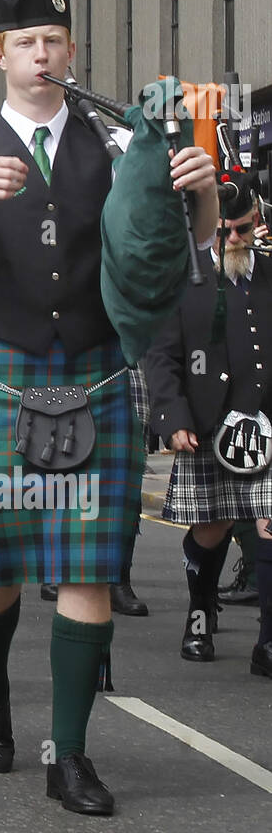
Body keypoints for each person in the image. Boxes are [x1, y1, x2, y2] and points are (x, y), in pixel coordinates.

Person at [0, 0, 217, 815]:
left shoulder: (118, 144)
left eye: (54, 41)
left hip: (93, 377)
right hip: (1, 380)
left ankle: (72, 756)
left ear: (71, 53)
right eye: (26, 43)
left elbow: (179, 239)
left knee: (86, 567)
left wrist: (200, 183)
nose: (41, 56)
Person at [144, 188, 272, 675]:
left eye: (243, 229)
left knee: (269, 530)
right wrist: (173, 419)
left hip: (267, 426)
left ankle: (268, 642)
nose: (235, 239)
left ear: (255, 219)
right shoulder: (184, 279)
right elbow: (161, 356)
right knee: (211, 530)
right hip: (209, 427)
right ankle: (200, 614)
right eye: (224, 231)